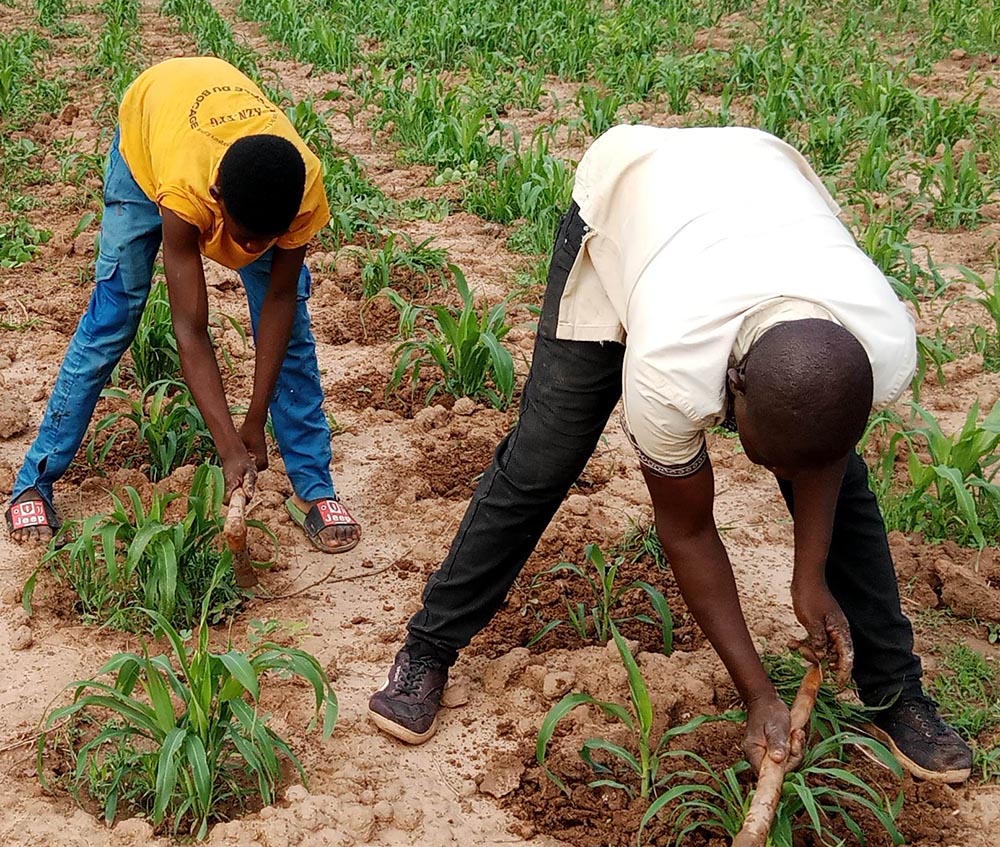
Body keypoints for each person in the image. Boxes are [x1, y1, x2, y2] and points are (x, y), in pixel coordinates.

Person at [368, 124, 972, 784]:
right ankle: (428, 646)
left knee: (837, 472)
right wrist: (757, 693)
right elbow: (687, 528)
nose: (770, 475)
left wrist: (810, 577)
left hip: (760, 183)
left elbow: (822, 458)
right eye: (760, 455)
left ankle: (896, 691)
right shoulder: (671, 369)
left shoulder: (878, 346)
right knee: (545, 456)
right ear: (731, 386)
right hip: (631, 202)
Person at [5, 57, 360, 554]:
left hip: (228, 140)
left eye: (268, 240)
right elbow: (190, 331)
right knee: (113, 316)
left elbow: (278, 298)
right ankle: (35, 479)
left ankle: (313, 490)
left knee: (293, 329)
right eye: (245, 240)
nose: (254, 252)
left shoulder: (300, 189)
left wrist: (254, 418)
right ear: (217, 202)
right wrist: (227, 445)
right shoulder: (186, 190)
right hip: (151, 132)